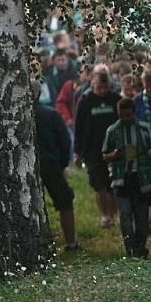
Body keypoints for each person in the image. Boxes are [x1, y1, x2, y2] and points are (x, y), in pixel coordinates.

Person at [102, 98, 151, 257]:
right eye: (122, 115)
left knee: (142, 217)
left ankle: (140, 248)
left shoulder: (144, 128)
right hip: (121, 178)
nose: (125, 118)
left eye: (128, 115)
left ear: (133, 112)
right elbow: (105, 154)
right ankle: (130, 249)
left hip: (142, 177)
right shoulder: (112, 130)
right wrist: (113, 155)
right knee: (126, 214)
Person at [33, 82, 79, 252]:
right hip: (51, 164)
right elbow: (65, 141)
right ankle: (71, 243)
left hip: (29, 168)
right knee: (65, 202)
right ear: (39, 94)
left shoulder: (15, 116)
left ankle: (37, 245)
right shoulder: (50, 114)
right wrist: (62, 163)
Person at [74, 70, 120, 228]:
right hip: (92, 150)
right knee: (99, 185)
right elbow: (79, 127)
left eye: (105, 87)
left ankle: (114, 214)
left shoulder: (115, 99)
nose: (102, 91)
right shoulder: (85, 101)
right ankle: (105, 215)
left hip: (113, 149)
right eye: (100, 87)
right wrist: (78, 152)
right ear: (93, 83)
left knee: (112, 184)